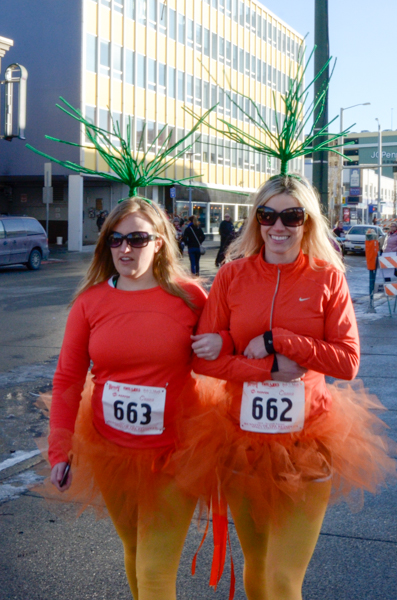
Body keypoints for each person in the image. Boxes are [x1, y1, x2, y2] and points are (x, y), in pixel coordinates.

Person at [191, 175, 395, 600]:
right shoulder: (231, 276)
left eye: (291, 216)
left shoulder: (328, 278)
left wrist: (279, 340)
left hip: (309, 438)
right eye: (268, 215)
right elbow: (201, 358)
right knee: (257, 567)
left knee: (284, 579)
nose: (278, 227)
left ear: (308, 222)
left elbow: (347, 361)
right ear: (256, 220)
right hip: (238, 437)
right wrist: (264, 368)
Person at [48, 197, 226, 600]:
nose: (125, 250)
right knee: (134, 550)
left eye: (137, 239)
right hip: (112, 450)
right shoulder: (90, 302)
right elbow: (67, 380)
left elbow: (219, 360)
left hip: (177, 452)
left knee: (155, 569)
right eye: (115, 240)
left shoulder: (190, 297)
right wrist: (60, 450)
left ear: (159, 242)